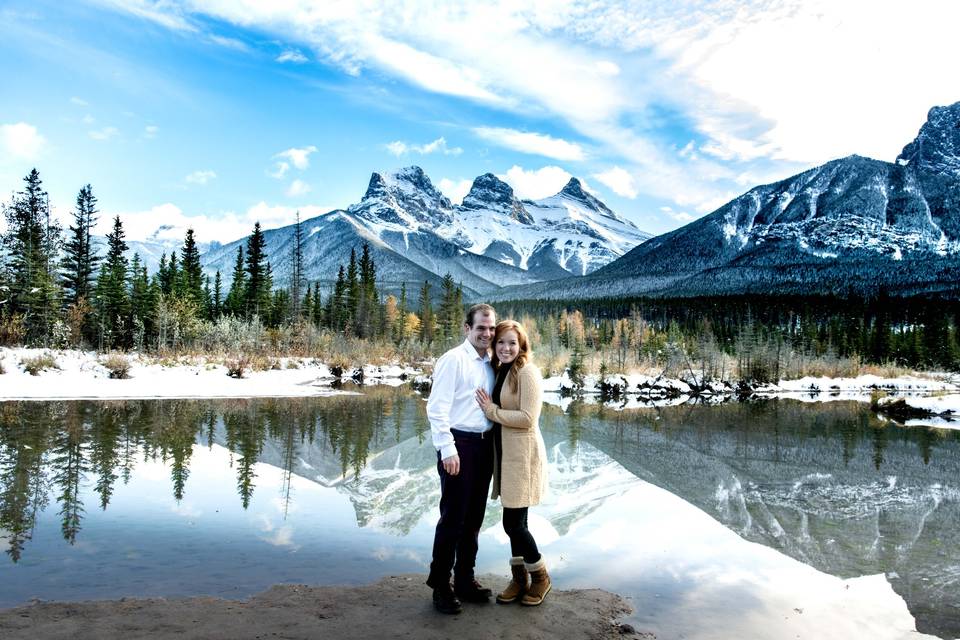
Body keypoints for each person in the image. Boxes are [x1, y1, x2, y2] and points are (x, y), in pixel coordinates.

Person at [425, 303, 498, 615]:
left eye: (491, 328)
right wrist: (447, 449)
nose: (487, 333)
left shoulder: (491, 363)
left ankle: (465, 580)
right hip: (459, 445)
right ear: (467, 329)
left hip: (483, 446)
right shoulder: (453, 360)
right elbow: (436, 408)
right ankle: (440, 585)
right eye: (481, 327)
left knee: (474, 519)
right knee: (452, 519)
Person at [475, 319, 550, 606]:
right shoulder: (502, 369)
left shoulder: (527, 372)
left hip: (523, 457)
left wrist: (492, 411)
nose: (506, 348)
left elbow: (528, 418)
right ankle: (520, 580)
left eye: (512, 343)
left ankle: (540, 577)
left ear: (522, 347)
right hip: (507, 457)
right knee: (518, 522)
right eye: (501, 342)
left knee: (513, 524)